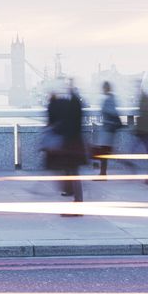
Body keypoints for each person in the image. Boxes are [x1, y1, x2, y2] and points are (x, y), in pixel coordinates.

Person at [43, 82, 86, 211]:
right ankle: (76, 198)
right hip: (74, 143)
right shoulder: (75, 105)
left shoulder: (71, 107)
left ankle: (78, 202)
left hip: (71, 144)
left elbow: (63, 125)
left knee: (72, 172)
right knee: (73, 172)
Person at [94, 81, 125, 177]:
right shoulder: (111, 98)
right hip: (109, 130)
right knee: (106, 152)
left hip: (108, 131)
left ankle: (103, 173)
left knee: (104, 153)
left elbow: (112, 113)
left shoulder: (109, 100)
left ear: (105, 88)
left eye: (103, 88)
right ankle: (103, 173)